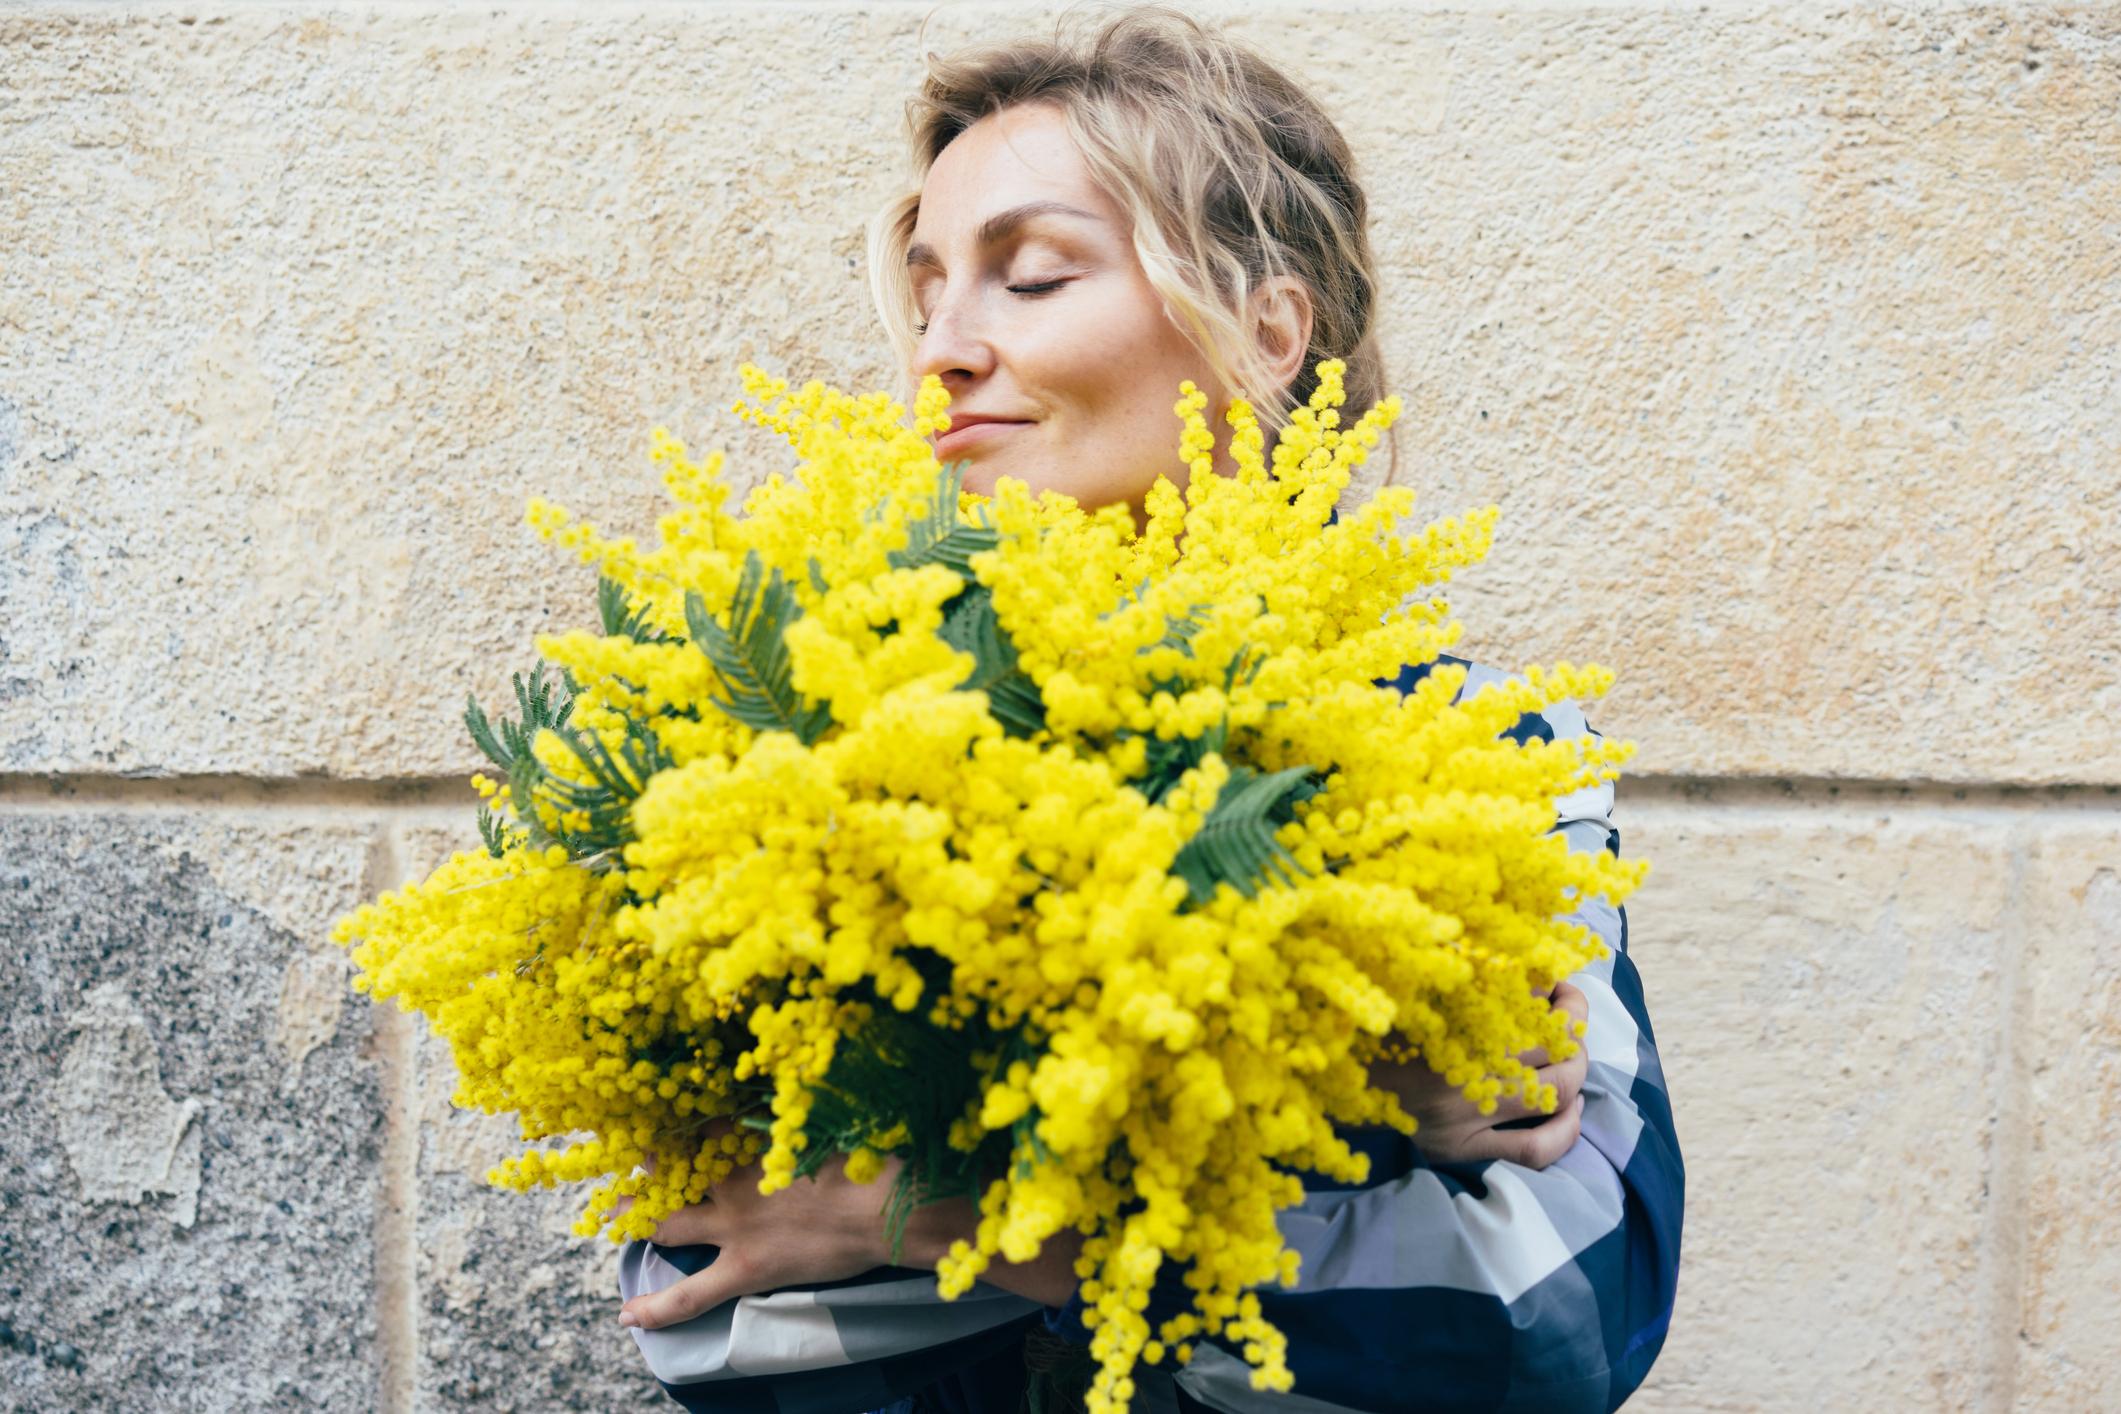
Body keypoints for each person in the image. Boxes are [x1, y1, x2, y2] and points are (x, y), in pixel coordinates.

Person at [613, 6, 1683, 1412]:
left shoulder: (1472, 762)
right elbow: (699, 1309)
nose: (940, 348)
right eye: (927, 291)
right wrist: (1311, 1140)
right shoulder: (797, 751)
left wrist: (916, 1213)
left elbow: (1552, 1304)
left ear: (1261, 331)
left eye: (1033, 276)